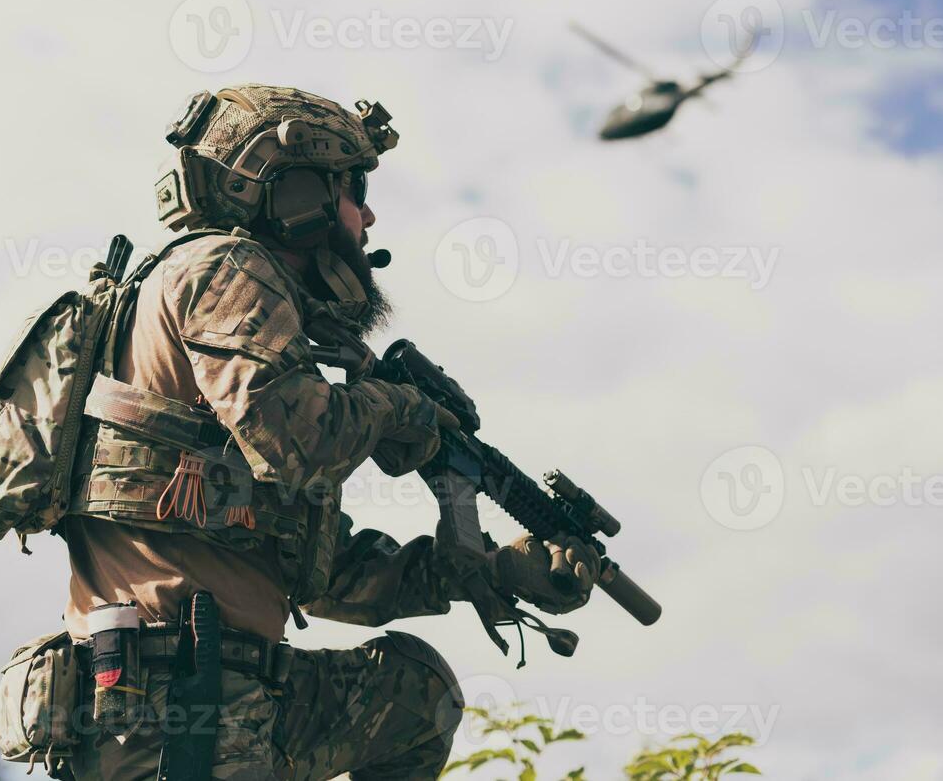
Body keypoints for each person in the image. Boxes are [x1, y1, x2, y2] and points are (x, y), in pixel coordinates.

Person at [51, 85, 600, 779]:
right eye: (354, 188)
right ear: (298, 196)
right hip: (172, 706)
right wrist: (403, 411)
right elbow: (298, 443)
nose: (368, 214)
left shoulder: (215, 317)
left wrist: (489, 569)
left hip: (228, 691)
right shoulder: (227, 268)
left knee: (414, 695)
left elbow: (326, 577)